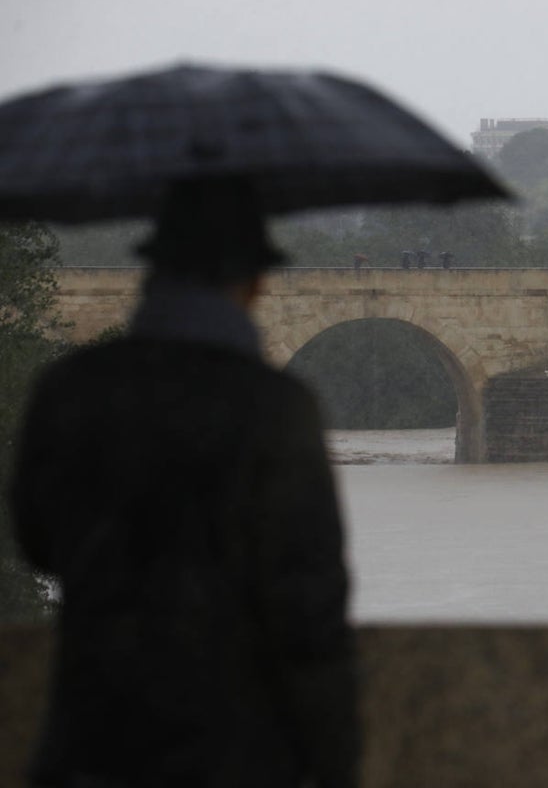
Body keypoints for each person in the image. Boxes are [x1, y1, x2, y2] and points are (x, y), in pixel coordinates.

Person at [9, 178, 359, 788]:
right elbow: (309, 608)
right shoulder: (276, 407)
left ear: (150, 273)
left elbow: (37, 540)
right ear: (253, 282)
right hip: (236, 752)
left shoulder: (72, 386)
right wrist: (333, 764)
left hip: (91, 744)